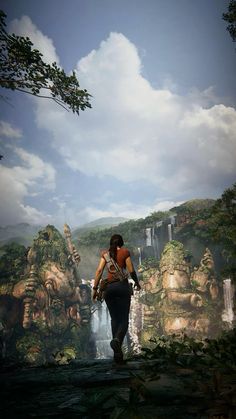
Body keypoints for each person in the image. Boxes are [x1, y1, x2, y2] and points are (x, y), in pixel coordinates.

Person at [92, 234, 141, 364]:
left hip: (109, 289)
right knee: (124, 319)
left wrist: (95, 289)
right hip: (122, 288)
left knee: (114, 319)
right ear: (122, 243)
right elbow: (131, 270)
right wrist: (137, 282)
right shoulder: (125, 252)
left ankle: (117, 355)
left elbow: (98, 271)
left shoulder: (105, 255)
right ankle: (118, 340)